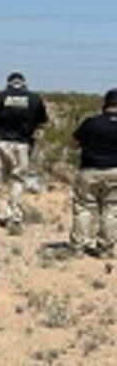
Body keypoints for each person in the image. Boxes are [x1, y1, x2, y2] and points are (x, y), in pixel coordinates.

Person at [0, 72, 48, 227]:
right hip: (23, 145)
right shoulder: (35, 99)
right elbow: (42, 122)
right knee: (18, 179)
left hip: (1, 142)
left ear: (8, 83)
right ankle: (14, 217)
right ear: (24, 83)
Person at [69, 88, 117, 256]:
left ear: (105, 104)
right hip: (115, 171)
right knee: (111, 209)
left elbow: (74, 143)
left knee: (84, 208)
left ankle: (78, 247)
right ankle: (105, 248)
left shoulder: (91, 122)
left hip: (90, 170)